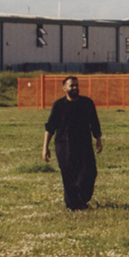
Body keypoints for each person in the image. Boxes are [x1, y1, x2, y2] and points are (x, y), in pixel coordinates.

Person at [42, 75, 103, 210]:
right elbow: (50, 127)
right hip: (65, 146)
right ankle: (73, 205)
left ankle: (83, 199)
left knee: (90, 172)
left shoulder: (87, 103)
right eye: (71, 85)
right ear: (64, 88)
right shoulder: (58, 105)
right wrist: (45, 147)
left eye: (76, 85)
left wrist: (98, 139)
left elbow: (94, 122)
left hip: (84, 144)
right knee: (69, 175)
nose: (75, 88)